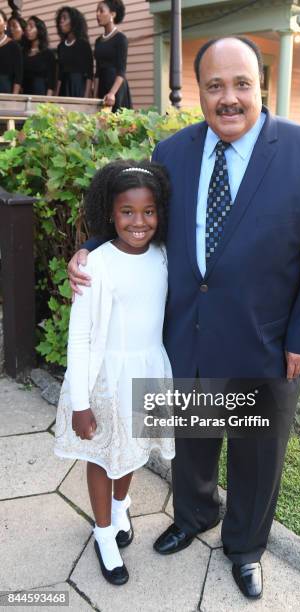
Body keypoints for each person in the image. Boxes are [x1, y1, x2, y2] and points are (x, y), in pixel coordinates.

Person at [68, 37, 300, 599]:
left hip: (266, 343)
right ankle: (194, 516)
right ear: (200, 91)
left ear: (260, 84)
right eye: (214, 86)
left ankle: (245, 547)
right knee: (191, 441)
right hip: (185, 334)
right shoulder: (172, 153)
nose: (228, 98)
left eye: (240, 83)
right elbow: (141, 218)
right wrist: (90, 248)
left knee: (257, 452)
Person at [55, 160, 175, 586]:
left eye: (148, 212)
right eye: (127, 212)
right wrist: (82, 405)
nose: (138, 221)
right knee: (102, 455)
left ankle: (122, 508)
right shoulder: (95, 264)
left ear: (160, 214)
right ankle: (103, 533)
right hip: (106, 378)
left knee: (132, 450)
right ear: (111, 213)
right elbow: (82, 336)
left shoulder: (163, 256)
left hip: (147, 370)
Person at [94, 0, 132, 112]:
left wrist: (112, 93)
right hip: (102, 85)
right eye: (97, 11)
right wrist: (94, 95)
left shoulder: (121, 39)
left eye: (101, 11)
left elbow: (121, 71)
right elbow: (97, 71)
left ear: (112, 14)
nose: (97, 14)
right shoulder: (98, 41)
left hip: (116, 88)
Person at [55, 7, 93, 98]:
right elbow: (60, 75)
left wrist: (86, 97)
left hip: (79, 88)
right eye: (60, 18)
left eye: (64, 18)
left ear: (74, 22)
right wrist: (55, 97)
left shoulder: (83, 45)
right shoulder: (61, 47)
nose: (61, 21)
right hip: (64, 89)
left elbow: (89, 75)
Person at [23, 16, 56, 96]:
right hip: (24, 96)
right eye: (26, 26)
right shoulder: (23, 53)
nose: (27, 28)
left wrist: (47, 102)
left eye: (31, 26)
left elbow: (51, 83)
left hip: (41, 96)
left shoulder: (48, 54)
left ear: (39, 30)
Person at [0, 9, 22, 94]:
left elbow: (18, 77)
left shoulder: (14, 46)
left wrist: (14, 99)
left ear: (5, 24)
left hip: (5, 91)